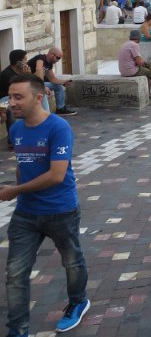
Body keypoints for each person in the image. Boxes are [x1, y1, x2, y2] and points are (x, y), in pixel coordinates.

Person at [1, 74, 91, 336]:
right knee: (15, 273)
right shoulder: (16, 128)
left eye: (19, 97)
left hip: (60, 210)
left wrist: (14, 191)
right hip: (26, 214)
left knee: (72, 262)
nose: (12, 103)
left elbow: (56, 175)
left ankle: (78, 302)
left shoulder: (58, 128)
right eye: (10, 96)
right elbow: (22, 165)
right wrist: (18, 193)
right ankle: (18, 330)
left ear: (38, 97)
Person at [28, 48, 76, 116]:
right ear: (52, 55)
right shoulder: (41, 58)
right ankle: (45, 115)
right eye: (58, 58)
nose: (58, 60)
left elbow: (52, 79)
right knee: (43, 91)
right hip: (31, 83)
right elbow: (39, 71)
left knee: (59, 87)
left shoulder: (49, 64)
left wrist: (63, 82)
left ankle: (60, 109)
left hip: (39, 83)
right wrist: (43, 87)